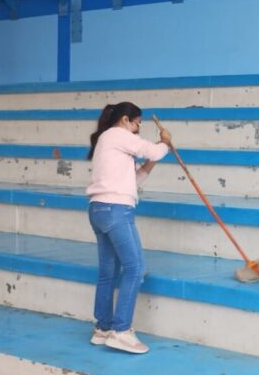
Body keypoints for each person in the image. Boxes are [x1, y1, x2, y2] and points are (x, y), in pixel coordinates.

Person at [86, 102, 171, 353]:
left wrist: (160, 152)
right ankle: (121, 331)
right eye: (138, 123)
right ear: (126, 119)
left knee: (108, 272)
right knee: (136, 268)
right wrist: (165, 142)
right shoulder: (118, 134)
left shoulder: (108, 140)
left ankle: (103, 328)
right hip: (116, 211)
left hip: (100, 210)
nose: (138, 128)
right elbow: (152, 151)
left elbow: (137, 177)